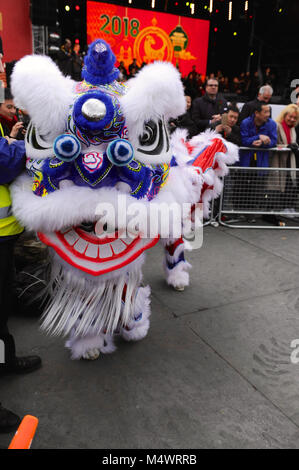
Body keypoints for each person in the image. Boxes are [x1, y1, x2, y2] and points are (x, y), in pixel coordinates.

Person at [0, 136, 42, 433]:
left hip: (4, 235)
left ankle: (5, 360)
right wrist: (24, 145)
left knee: (2, 309)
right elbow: (5, 162)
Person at [239, 102, 277, 217]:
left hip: (261, 160)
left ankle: (252, 214)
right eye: (265, 112)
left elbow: (274, 142)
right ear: (256, 113)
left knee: (257, 187)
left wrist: (264, 143)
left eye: (269, 111)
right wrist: (257, 137)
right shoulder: (246, 122)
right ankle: (239, 212)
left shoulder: (272, 124)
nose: (268, 114)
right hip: (246, 160)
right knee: (242, 187)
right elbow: (243, 140)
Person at [267, 104, 299, 220]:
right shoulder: (277, 125)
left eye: (295, 118)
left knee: (290, 183)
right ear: (285, 115)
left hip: (290, 160)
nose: (292, 119)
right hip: (279, 160)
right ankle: (279, 208)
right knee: (279, 184)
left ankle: (288, 207)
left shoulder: (293, 128)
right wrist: (287, 146)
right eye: (290, 117)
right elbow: (273, 143)